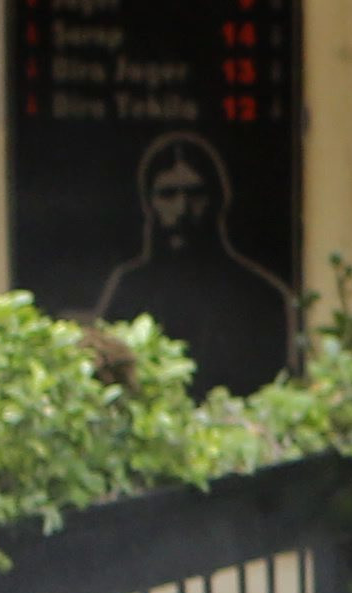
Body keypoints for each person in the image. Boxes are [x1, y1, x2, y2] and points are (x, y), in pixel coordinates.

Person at [94, 130, 294, 395]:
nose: (182, 209)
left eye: (195, 194)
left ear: (217, 201)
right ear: (149, 203)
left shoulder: (260, 296)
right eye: (168, 194)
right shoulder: (130, 288)